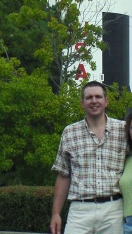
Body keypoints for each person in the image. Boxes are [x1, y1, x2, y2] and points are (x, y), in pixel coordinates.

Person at [50, 80, 127, 234]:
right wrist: (56, 213)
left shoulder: (124, 130)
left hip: (114, 210)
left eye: (98, 97)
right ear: (82, 103)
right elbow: (64, 175)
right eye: (89, 97)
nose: (94, 101)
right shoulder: (69, 132)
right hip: (80, 211)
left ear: (106, 101)